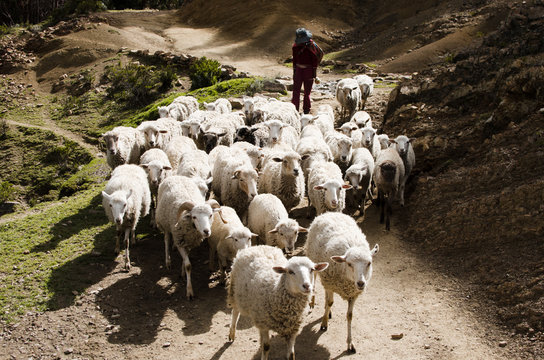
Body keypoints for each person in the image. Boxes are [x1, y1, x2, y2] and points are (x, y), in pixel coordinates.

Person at [291, 28, 320, 114]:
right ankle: (306, 110)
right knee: (307, 92)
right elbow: (314, 60)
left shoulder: (295, 46)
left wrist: (294, 72)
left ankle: (295, 110)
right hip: (309, 71)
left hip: (298, 70)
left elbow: (294, 61)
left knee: (296, 92)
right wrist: (314, 74)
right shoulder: (311, 46)